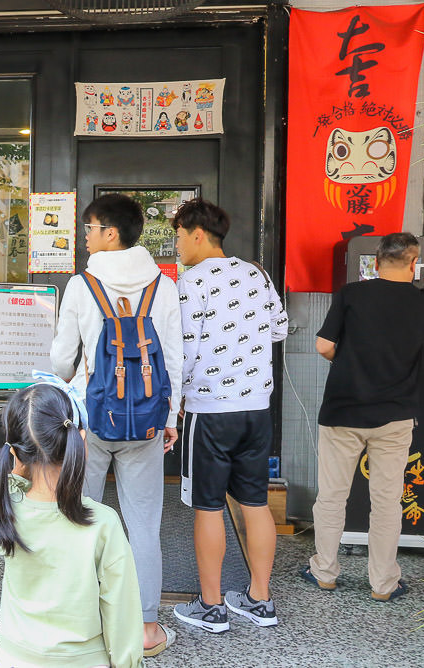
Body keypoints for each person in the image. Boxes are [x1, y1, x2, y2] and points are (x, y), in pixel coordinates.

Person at [51, 193, 182, 656]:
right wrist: (169, 417)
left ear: (111, 233)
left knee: (79, 518)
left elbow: (62, 361)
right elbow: (172, 358)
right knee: (144, 525)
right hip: (145, 423)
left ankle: (83, 621)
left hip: (90, 421)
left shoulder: (81, 285)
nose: (84, 237)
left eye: (89, 228)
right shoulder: (163, 286)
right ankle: (146, 629)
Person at [306, 232, 424, 601]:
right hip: (393, 417)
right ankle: (383, 583)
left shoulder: (351, 295)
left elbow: (324, 345)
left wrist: (346, 362)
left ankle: (325, 572)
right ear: (413, 263)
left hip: (343, 411)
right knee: (387, 501)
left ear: (375, 263)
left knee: (331, 497)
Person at [169, 199, 288, 632]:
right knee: (255, 502)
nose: (177, 246)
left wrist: (171, 404)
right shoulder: (256, 273)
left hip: (211, 409)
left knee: (208, 506)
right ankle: (260, 599)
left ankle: (212, 605)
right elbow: (278, 328)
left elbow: (183, 351)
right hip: (257, 407)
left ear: (197, 233)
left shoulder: (191, 282)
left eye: (179, 237)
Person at [0, 380, 144, 668]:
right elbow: (121, 610)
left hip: (11, 657)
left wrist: (16, 473)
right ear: (79, 440)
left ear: (14, 454)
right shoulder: (103, 523)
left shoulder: (2, 511)